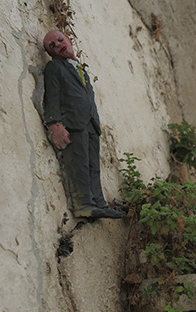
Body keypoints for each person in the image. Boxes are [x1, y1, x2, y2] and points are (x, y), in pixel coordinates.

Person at [42, 30, 124, 219]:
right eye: (51, 45)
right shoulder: (55, 68)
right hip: (73, 123)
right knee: (79, 163)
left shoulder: (80, 68)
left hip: (90, 122)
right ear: (50, 53)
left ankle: (99, 203)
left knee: (93, 165)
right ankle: (84, 204)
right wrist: (54, 124)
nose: (58, 44)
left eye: (59, 39)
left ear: (69, 40)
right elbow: (52, 97)